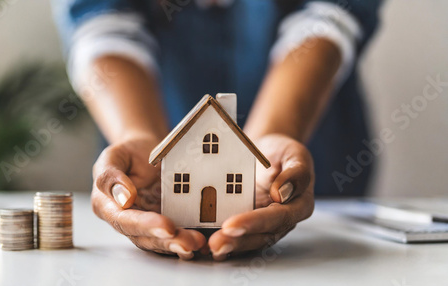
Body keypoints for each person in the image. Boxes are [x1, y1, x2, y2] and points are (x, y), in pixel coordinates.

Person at [53, 0, 382, 260]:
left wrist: (271, 137)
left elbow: (332, 13)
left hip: (317, 144)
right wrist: (135, 137)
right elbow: (100, 21)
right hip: (151, 111)